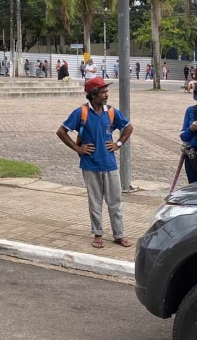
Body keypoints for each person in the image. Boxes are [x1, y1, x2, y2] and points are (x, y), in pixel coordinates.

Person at [56, 77, 134, 249]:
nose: (106, 95)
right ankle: (98, 234)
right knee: (95, 201)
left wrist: (118, 144)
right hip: (90, 164)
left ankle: (119, 234)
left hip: (110, 164)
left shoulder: (111, 112)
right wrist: (78, 149)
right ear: (93, 94)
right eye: (103, 92)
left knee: (115, 201)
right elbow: (61, 131)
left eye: (106, 91)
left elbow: (128, 127)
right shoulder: (81, 113)